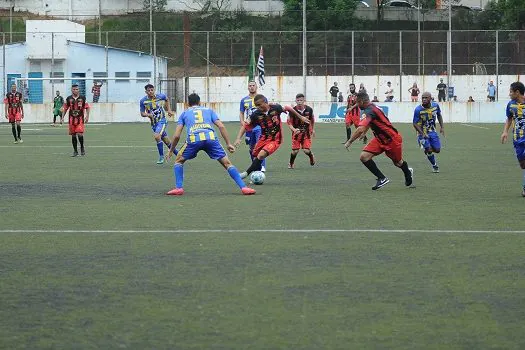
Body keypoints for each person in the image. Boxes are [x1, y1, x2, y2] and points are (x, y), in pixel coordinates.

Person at [165, 93, 255, 196]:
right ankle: (244, 187)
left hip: (194, 140)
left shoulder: (184, 114)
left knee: (178, 161)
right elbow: (221, 126)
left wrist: (171, 150)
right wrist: (228, 143)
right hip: (211, 138)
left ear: (188, 104)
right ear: (199, 102)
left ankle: (179, 188)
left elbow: (176, 136)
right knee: (227, 163)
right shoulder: (209, 111)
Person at [344, 92, 413, 190]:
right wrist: (365, 133)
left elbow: (360, 128)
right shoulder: (372, 108)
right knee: (364, 157)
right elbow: (370, 122)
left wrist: (350, 141)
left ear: (362, 101)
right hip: (379, 139)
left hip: (392, 139)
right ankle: (382, 178)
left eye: (358, 103)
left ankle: (407, 171)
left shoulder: (369, 111)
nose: (357, 106)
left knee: (398, 163)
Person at [234, 94, 310, 179]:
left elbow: (288, 108)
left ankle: (245, 173)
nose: (258, 107)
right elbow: (245, 126)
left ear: (265, 102)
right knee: (255, 154)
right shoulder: (255, 115)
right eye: (257, 106)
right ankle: (258, 173)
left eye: (259, 105)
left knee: (261, 155)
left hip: (276, 139)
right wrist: (238, 138)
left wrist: (301, 117)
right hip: (263, 138)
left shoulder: (275, 108)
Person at [139, 84, 175, 164]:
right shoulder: (143, 101)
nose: (150, 92)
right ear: (146, 92)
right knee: (166, 141)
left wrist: (169, 110)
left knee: (157, 136)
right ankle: (179, 154)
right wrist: (148, 115)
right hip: (153, 123)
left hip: (162, 120)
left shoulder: (160, 96)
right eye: (148, 90)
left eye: (152, 90)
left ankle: (161, 156)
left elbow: (167, 99)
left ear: (154, 90)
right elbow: (142, 113)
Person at [500, 81, 525, 196]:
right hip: (517, 139)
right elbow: (509, 119)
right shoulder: (511, 105)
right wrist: (505, 132)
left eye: (511, 91)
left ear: (517, 92)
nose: (509, 94)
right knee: (523, 165)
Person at [412, 92, 445, 173]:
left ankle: (427, 151)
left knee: (437, 150)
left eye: (426, 98)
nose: (424, 99)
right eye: (423, 98)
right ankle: (434, 165)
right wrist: (422, 134)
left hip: (432, 131)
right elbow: (415, 123)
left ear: (430, 98)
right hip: (421, 133)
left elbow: (439, 115)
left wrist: (442, 127)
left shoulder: (435, 106)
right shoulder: (418, 109)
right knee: (429, 149)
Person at [239, 80, 265, 172]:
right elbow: (241, 112)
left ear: (256, 87)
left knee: (260, 145)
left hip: (260, 126)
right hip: (249, 127)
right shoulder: (244, 100)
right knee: (251, 148)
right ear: (248, 87)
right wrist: (242, 122)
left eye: (253, 85)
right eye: (250, 85)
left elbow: (266, 110)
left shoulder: (261, 98)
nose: (251, 87)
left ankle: (262, 166)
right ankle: (254, 163)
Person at [287, 93, 316, 169]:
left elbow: (312, 120)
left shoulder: (309, 109)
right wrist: (293, 129)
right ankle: (291, 163)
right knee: (295, 151)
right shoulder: (292, 111)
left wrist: (312, 129)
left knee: (306, 150)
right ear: (295, 101)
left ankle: (311, 156)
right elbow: (289, 123)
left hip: (306, 133)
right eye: (298, 100)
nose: (299, 102)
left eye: (301, 100)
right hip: (296, 134)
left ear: (304, 101)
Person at [62, 84, 90, 157]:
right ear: (71, 90)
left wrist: (87, 116)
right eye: (74, 89)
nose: (75, 90)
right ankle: (75, 151)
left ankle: (82, 147)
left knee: (80, 134)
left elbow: (87, 107)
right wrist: (62, 117)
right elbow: (65, 108)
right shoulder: (68, 98)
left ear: (79, 90)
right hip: (71, 120)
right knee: (73, 135)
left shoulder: (83, 98)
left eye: (77, 89)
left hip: (80, 119)